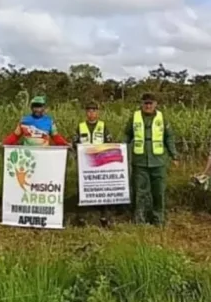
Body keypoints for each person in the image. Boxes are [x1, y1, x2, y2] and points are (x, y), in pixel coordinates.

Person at [123, 93, 178, 226]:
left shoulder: (162, 118)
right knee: (140, 192)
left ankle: (158, 219)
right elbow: (126, 135)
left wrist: (174, 155)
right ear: (141, 104)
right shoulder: (134, 117)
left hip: (158, 161)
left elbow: (169, 137)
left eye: (150, 103)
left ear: (155, 104)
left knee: (158, 192)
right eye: (145, 103)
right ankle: (139, 220)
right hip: (139, 161)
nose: (148, 106)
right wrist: (118, 151)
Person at [70, 101, 114, 227]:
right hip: (84, 165)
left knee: (101, 189)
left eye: (94, 111)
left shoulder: (103, 126)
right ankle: (81, 217)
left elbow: (109, 143)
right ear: (86, 113)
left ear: (98, 112)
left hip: (99, 165)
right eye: (89, 111)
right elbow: (74, 142)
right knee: (82, 190)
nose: (91, 113)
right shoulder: (80, 126)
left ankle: (104, 216)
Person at [1, 95, 68, 146]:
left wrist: (66, 144)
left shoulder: (49, 121)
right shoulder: (24, 121)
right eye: (35, 107)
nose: (37, 109)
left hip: (44, 155)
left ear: (44, 108)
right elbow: (15, 136)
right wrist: (4, 143)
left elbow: (56, 137)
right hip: (28, 155)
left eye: (39, 106)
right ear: (31, 108)